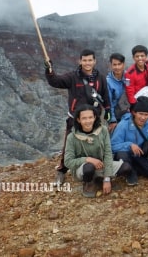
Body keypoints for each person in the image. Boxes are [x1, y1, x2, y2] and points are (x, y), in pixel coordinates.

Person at [45, 49, 110, 185]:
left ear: (94, 61)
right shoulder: (72, 77)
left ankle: (99, 168)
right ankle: (62, 171)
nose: (87, 63)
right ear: (80, 61)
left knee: (98, 142)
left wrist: (108, 110)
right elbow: (55, 82)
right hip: (75, 118)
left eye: (90, 60)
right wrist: (49, 71)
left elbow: (105, 95)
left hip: (94, 118)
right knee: (68, 145)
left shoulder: (100, 78)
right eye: (84, 60)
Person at [64, 104, 131, 197]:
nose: (88, 121)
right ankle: (89, 182)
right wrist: (87, 159)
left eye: (90, 117)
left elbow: (108, 153)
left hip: (101, 165)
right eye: (84, 118)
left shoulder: (103, 130)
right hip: (83, 168)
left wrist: (107, 178)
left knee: (126, 167)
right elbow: (68, 162)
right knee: (89, 168)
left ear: (95, 117)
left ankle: (101, 179)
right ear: (78, 120)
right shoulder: (72, 137)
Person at [110, 96, 148, 186]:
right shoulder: (123, 125)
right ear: (134, 113)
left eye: (146, 115)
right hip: (127, 154)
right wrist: (130, 145)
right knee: (122, 154)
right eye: (140, 114)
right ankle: (130, 172)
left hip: (139, 155)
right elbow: (112, 146)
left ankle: (137, 168)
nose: (143, 117)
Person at [106, 52, 129, 133]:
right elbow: (109, 103)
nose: (117, 67)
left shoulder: (128, 77)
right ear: (110, 65)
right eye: (114, 65)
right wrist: (112, 120)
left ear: (123, 64)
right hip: (116, 115)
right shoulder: (108, 82)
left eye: (119, 64)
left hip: (129, 113)